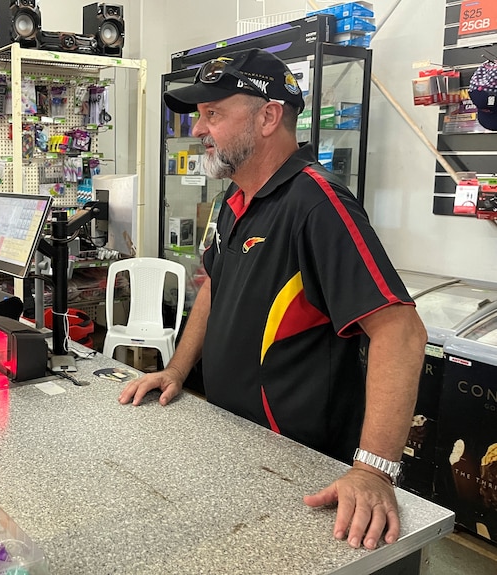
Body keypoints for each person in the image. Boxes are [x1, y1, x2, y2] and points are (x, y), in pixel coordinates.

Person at [118, 48, 426, 551]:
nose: (199, 129)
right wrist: (176, 371)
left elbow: (401, 332)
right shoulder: (232, 200)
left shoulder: (317, 202)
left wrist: (373, 471)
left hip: (302, 470)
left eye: (213, 114)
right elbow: (213, 288)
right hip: (234, 445)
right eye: (199, 115)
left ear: (268, 117)